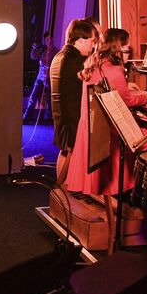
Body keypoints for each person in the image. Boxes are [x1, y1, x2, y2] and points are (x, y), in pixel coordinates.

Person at [62, 28, 147, 198]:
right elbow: (127, 101)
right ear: (117, 48)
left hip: (91, 124)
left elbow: (114, 90)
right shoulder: (115, 69)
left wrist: (130, 89)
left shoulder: (95, 62)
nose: (128, 56)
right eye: (126, 50)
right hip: (108, 128)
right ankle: (144, 193)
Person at [50, 19, 98, 186]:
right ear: (81, 40)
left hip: (61, 114)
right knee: (71, 153)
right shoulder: (76, 60)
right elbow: (94, 82)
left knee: (65, 152)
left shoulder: (60, 55)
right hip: (72, 117)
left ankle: (61, 192)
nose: (93, 47)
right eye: (92, 41)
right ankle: (64, 191)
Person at [25, 32, 57, 121]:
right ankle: (27, 116)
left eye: (50, 39)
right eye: (47, 40)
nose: (49, 41)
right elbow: (33, 57)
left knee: (49, 98)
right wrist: (34, 49)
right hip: (40, 77)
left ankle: (48, 117)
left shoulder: (56, 51)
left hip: (49, 77)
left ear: (53, 39)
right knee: (33, 96)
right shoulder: (43, 49)